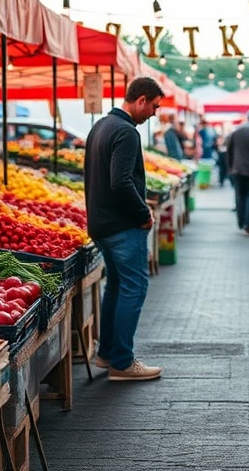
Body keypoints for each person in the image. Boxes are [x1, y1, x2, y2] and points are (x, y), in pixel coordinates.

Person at [84, 77, 165, 381]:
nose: (154, 113)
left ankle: (107, 354)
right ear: (141, 100)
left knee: (116, 287)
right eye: (154, 106)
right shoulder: (126, 132)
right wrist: (142, 212)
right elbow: (120, 181)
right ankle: (122, 362)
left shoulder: (100, 127)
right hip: (121, 225)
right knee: (135, 287)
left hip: (100, 223)